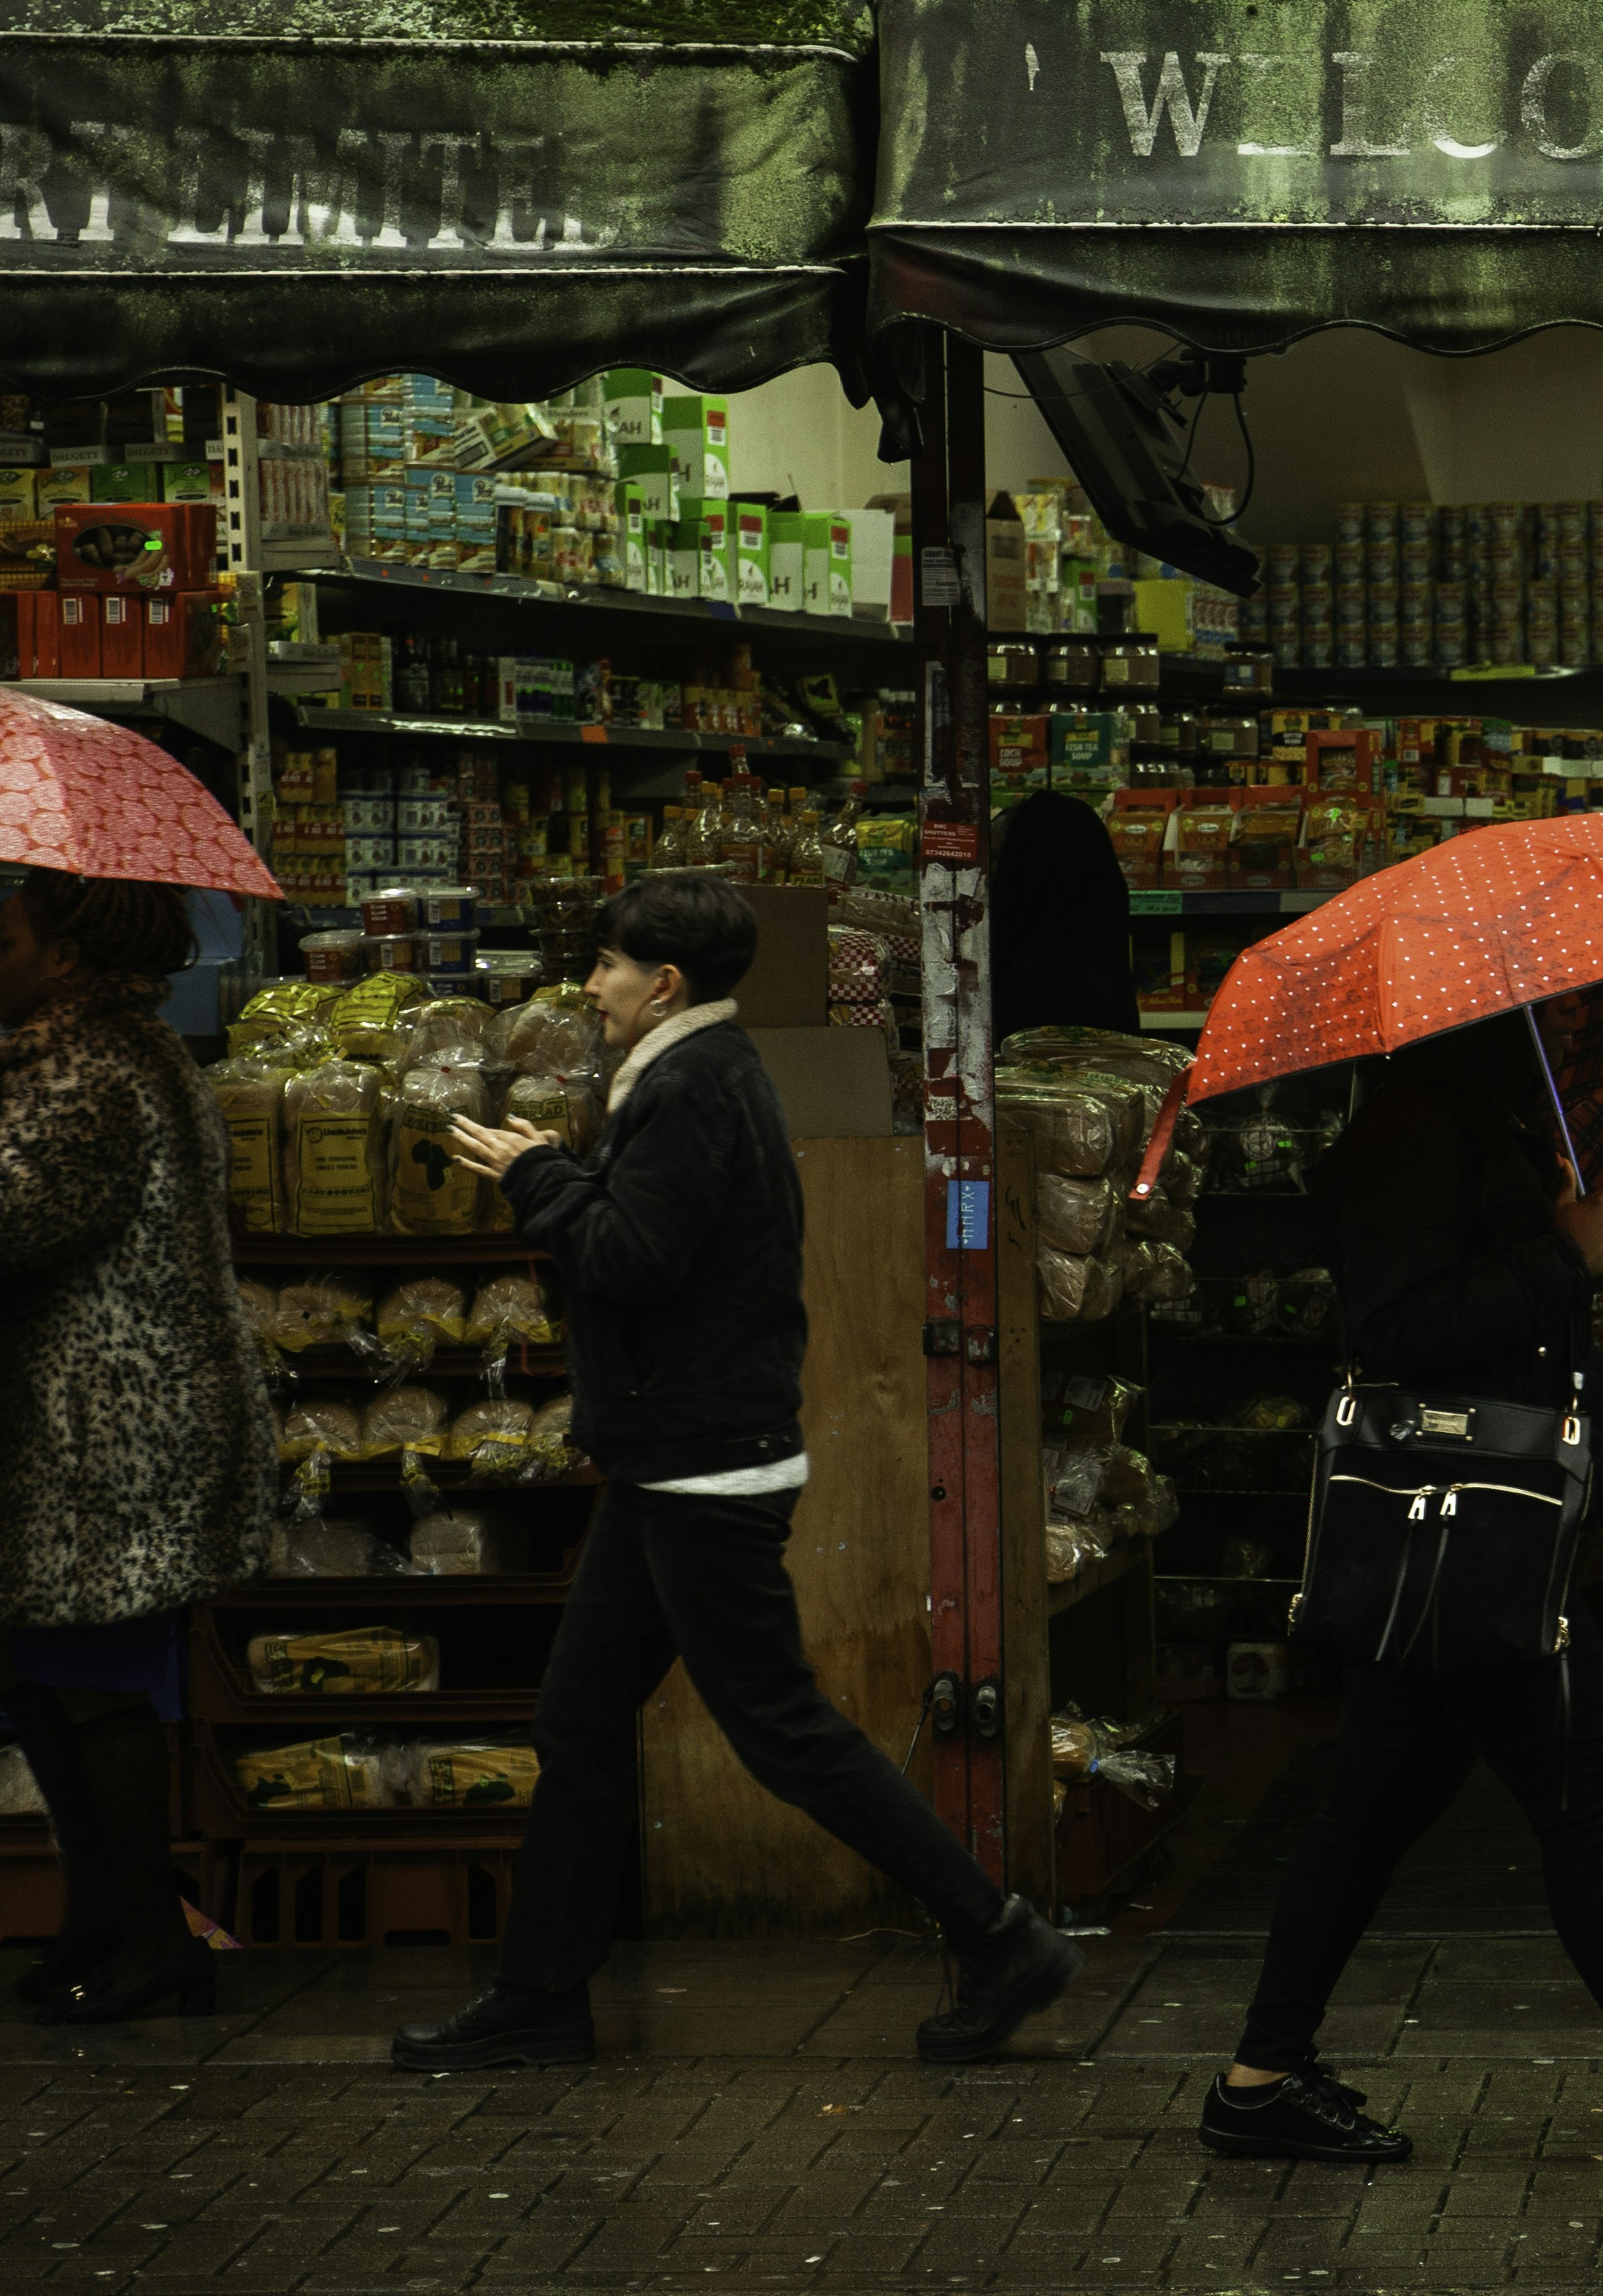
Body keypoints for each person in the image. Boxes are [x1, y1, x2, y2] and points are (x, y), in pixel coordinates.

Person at [395, 875, 1080, 2073]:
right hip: (672, 1458)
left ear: (662, 982)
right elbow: (657, 1238)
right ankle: (540, 1993)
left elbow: (633, 1258)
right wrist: (559, 1172)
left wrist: (540, 1181)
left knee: (780, 1727)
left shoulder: (691, 1084)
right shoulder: (695, 1075)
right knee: (580, 1717)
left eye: (607, 966)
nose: (590, 987)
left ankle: (997, 1933)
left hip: (702, 1465)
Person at [1202, 1011, 1603, 2179]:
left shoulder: (1482, 1129)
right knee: (1586, 1802)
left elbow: (1566, 1371)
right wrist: (1562, 1255)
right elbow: (1395, 1330)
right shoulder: (1411, 1137)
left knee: (1371, 1811)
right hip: (1468, 1543)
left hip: (1469, 1544)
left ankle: (1259, 2081)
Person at [0, 872, 277, 2024]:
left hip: (102, 1428)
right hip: (72, 1424)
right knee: (30, 1663)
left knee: (95, 1681)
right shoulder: (101, 1058)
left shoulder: (92, 1070)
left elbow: (11, 1217)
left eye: (7, 941)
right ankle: (102, 1918)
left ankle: (157, 1942)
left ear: (62, 958)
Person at [989, 789, 1141, 1044]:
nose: (987, 875)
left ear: (1032, 869)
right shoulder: (1095, 965)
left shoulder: (1052, 989)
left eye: (997, 859)